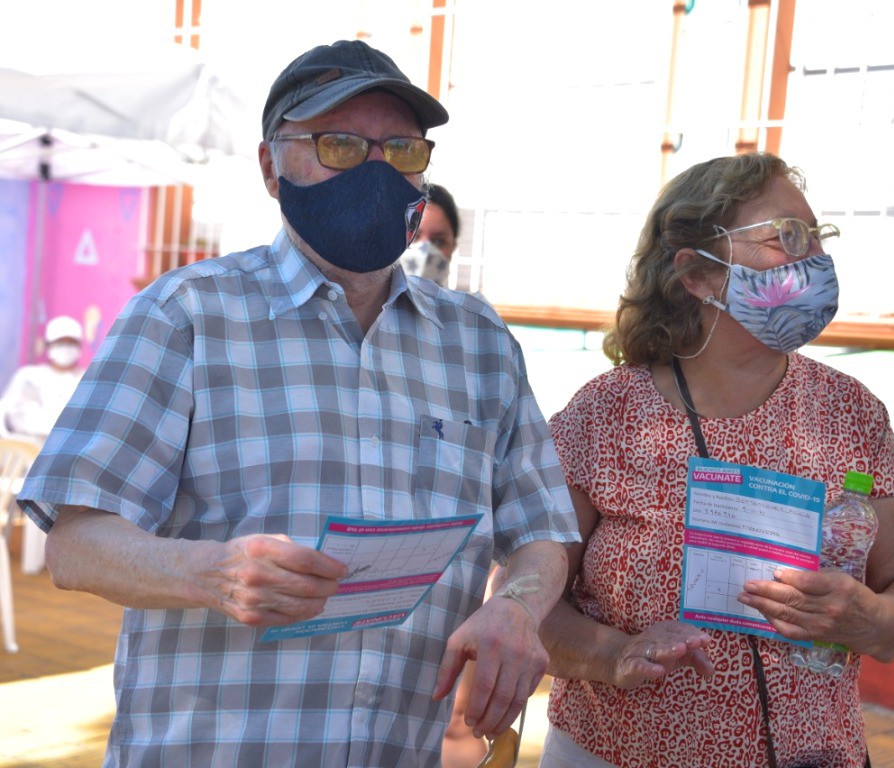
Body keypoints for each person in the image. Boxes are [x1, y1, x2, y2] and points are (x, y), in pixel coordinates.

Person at [17, 39, 578, 767]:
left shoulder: (478, 342)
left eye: (403, 150)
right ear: (270, 166)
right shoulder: (187, 315)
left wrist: (518, 605)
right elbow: (74, 544)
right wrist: (210, 572)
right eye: (340, 144)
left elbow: (542, 532)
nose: (376, 169)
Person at [537, 152, 894, 768]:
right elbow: (528, 599)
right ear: (699, 274)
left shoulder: (850, 413)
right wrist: (612, 654)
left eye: (819, 237)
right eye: (788, 236)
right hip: (613, 752)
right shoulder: (606, 414)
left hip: (813, 755)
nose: (816, 259)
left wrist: (872, 618)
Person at [0, 315, 84, 443]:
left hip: (68, 448)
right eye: (60, 343)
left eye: (71, 343)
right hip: (25, 449)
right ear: (48, 345)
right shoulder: (29, 376)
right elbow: (6, 413)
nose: (66, 349)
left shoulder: (86, 380)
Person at [401, 182, 460, 287]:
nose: (425, 251)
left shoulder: (466, 303)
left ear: (453, 247)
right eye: (414, 236)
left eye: (438, 241)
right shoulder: (368, 302)